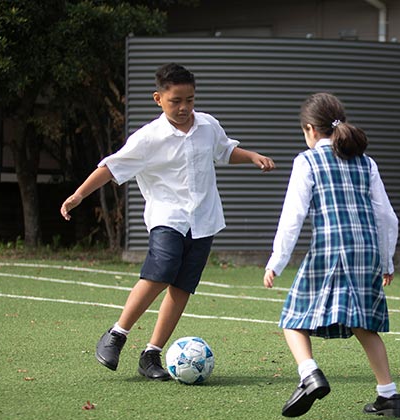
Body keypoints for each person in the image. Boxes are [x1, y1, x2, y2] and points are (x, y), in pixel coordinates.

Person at [60, 63, 275, 380]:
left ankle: (151, 355)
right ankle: (117, 334)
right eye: (176, 101)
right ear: (158, 98)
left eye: (190, 99)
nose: (185, 107)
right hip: (167, 216)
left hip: (204, 219)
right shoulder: (148, 138)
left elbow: (225, 151)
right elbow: (111, 167)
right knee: (161, 269)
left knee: (182, 286)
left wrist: (252, 156)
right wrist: (78, 195)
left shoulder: (207, 126)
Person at [263, 93, 400, 418]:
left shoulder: (307, 161)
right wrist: (386, 260)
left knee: (292, 318)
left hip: (331, 248)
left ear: (311, 129)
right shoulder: (366, 162)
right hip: (367, 251)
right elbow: (387, 217)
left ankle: (309, 374)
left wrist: (276, 261)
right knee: (363, 323)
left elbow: (292, 216)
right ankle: (389, 396)